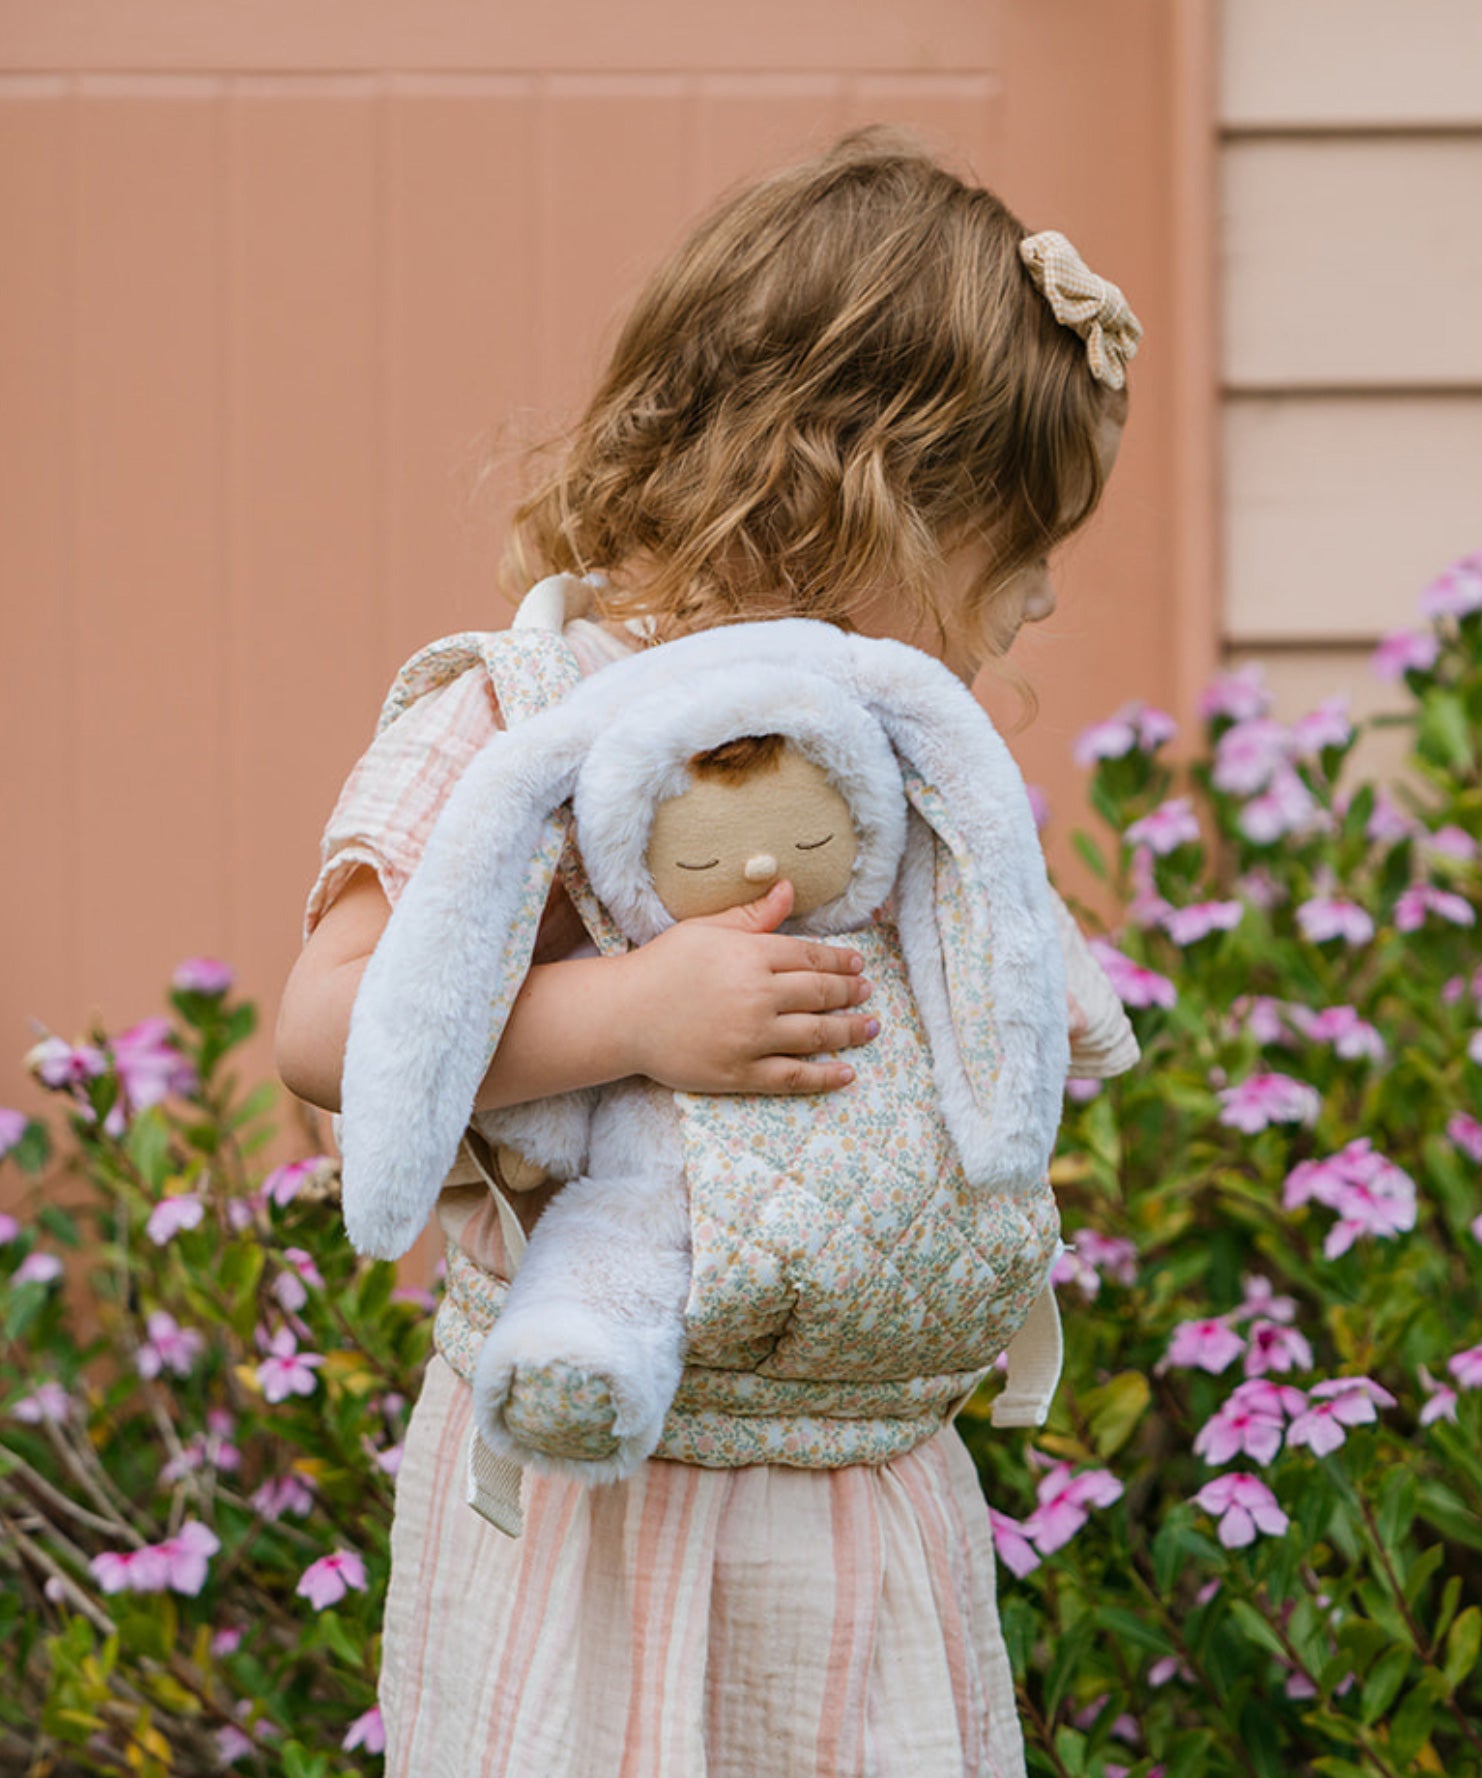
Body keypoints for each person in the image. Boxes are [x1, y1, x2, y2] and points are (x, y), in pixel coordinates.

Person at [275, 126, 1141, 1778]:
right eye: (1018, 542)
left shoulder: (892, 755)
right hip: (609, 1490)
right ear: (874, 488)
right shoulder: (530, 713)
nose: (1035, 599)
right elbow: (328, 1029)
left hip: (860, 1499)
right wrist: (630, 1011)